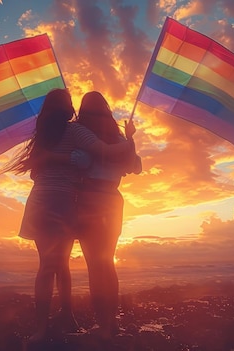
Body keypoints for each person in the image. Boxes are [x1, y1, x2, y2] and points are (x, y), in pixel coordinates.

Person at [1, 89, 136, 343]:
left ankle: (46, 327)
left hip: (52, 202)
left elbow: (34, 170)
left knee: (51, 267)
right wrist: (130, 140)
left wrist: (55, 157)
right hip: (82, 203)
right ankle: (96, 320)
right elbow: (116, 157)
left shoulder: (48, 135)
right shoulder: (79, 132)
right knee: (97, 264)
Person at [75, 91, 142, 340]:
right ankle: (110, 322)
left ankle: (103, 325)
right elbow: (135, 166)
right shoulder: (116, 137)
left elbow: (79, 163)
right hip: (113, 201)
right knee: (108, 264)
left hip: (90, 200)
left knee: (95, 267)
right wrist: (129, 138)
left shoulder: (82, 136)